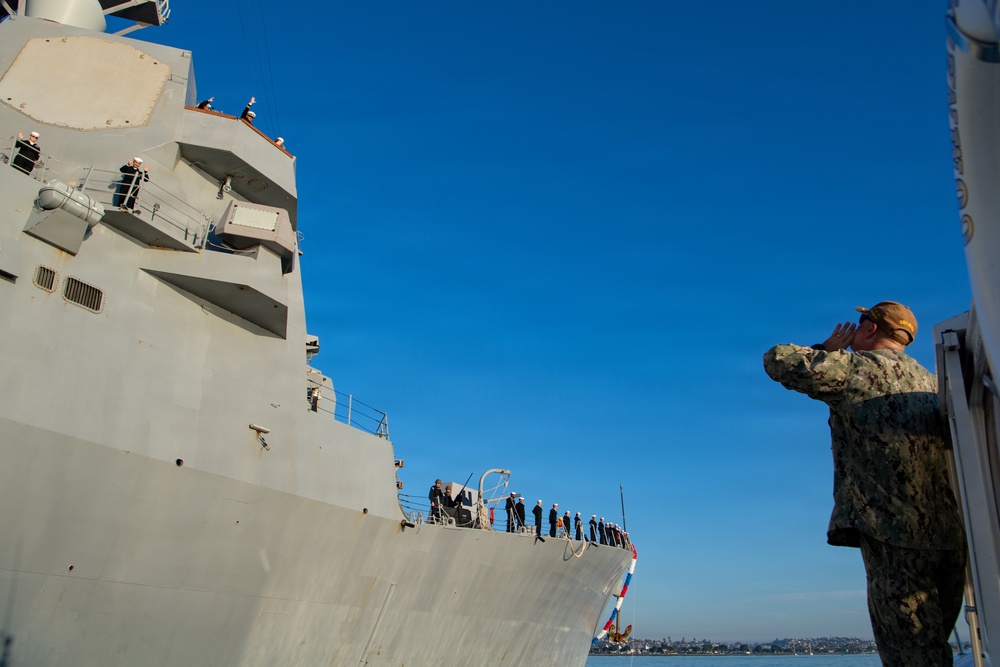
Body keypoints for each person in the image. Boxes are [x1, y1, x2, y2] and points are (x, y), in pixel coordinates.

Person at [763, 301, 967, 666]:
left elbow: (778, 359)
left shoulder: (857, 370)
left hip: (893, 535)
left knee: (909, 655)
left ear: (871, 329)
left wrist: (827, 349)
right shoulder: (932, 384)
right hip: (951, 538)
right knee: (934, 648)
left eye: (860, 325)